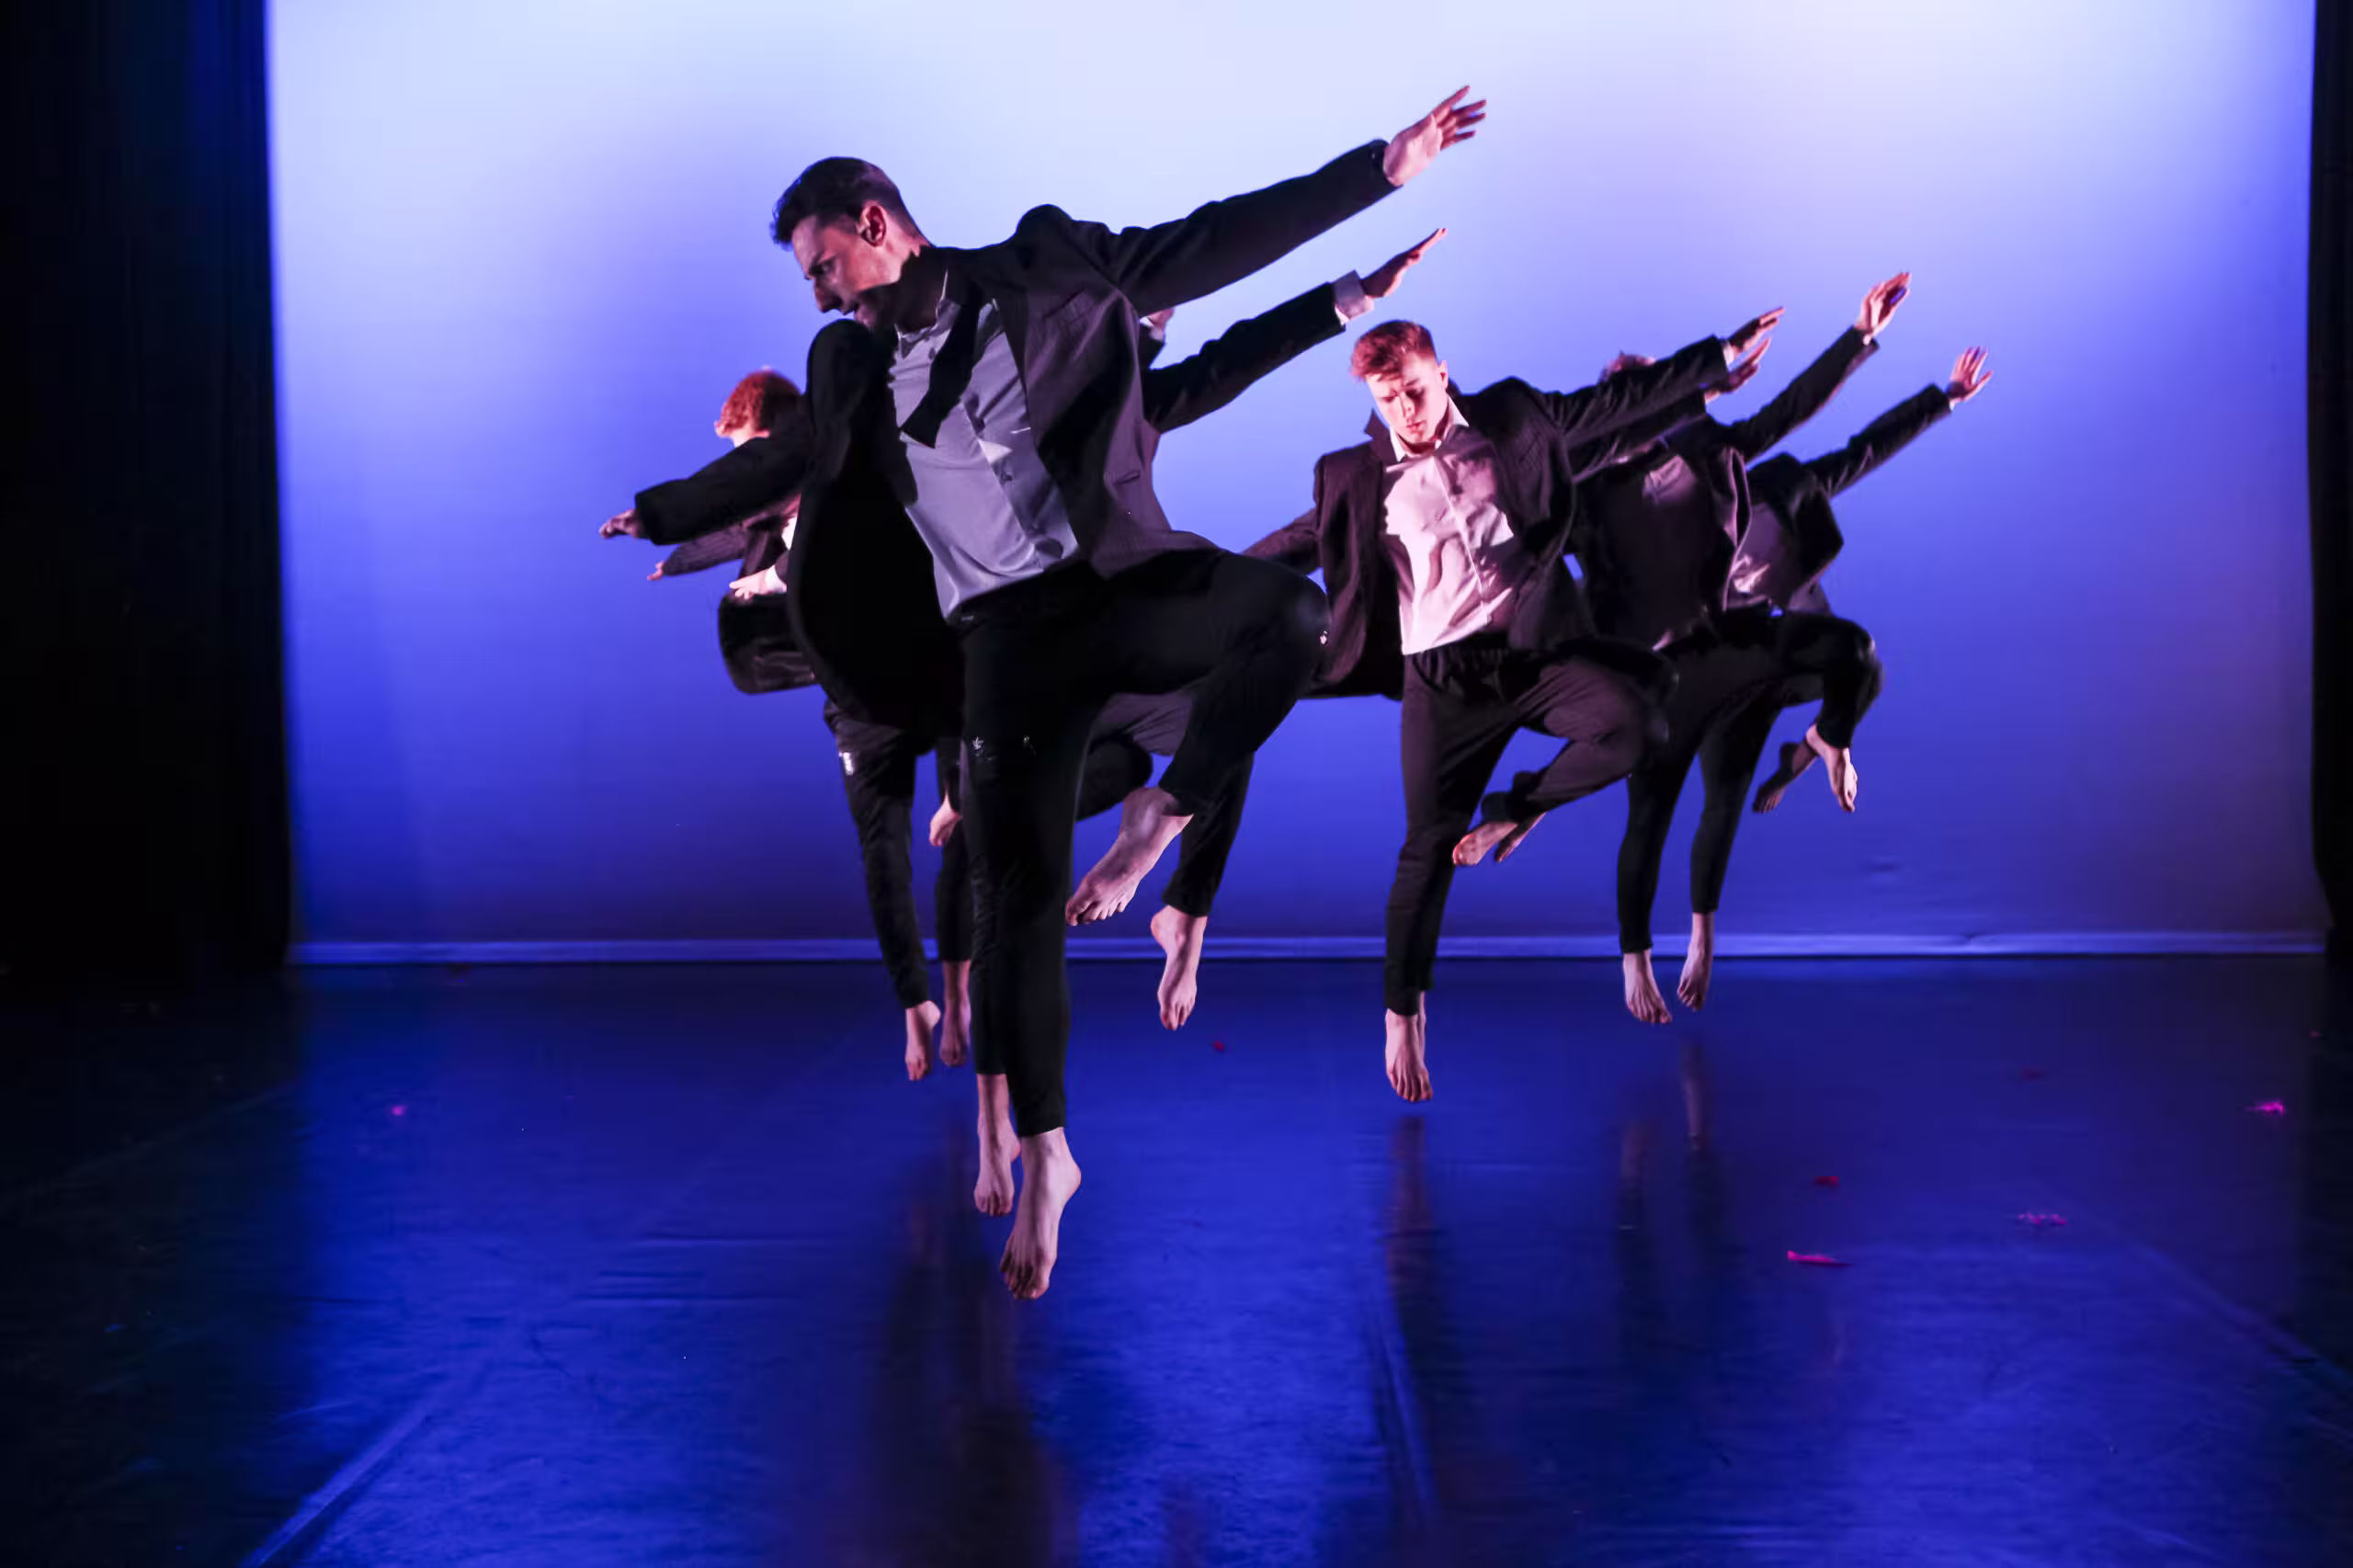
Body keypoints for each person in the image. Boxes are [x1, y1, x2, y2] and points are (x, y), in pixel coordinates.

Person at [1245, 303, 1780, 1104]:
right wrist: (1208, 587)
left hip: (1525, 656)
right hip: (1440, 684)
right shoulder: (1356, 477)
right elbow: (1293, 545)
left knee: (1636, 724)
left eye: (1418, 392)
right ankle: (1403, 1012)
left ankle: (1519, 805)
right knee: (1426, 850)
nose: (1409, 414)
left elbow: (1610, 412)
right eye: (1390, 401)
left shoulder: (1514, 418)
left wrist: (1716, 357)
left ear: (1442, 373)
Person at [1495, 326, 1991, 1020]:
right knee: (1670, 808)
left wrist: (1902, 368)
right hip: (1666, 670)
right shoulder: (1592, 490)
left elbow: (1827, 432)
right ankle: (1646, 948)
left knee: (1850, 666)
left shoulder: (1724, 464)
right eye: (1630, 405)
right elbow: (1532, 529)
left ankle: (1822, 744)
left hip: (1741, 643)